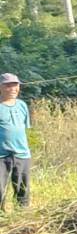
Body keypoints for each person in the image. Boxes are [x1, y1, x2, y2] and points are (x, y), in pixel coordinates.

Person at [0, 72, 29, 211]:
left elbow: (23, 128)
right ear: (1, 88)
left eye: (15, 85)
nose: (12, 89)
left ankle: (22, 214)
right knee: (0, 188)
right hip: (1, 156)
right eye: (8, 86)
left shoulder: (22, 105)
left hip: (22, 154)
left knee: (22, 187)